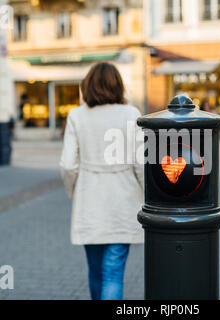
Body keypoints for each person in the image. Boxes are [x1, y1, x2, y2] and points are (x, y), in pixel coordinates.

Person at [60, 62, 144, 300]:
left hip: (90, 201)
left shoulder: (76, 116)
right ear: (118, 85)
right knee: (113, 274)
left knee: (96, 272)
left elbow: (68, 165)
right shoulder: (131, 114)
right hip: (123, 202)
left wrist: (73, 192)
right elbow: (141, 163)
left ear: (87, 86)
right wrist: (147, 197)